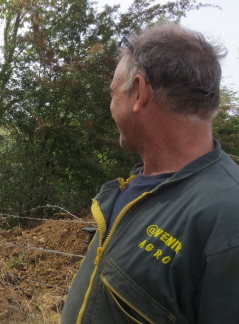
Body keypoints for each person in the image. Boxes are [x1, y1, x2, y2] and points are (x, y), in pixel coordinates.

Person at [61, 22, 238, 323]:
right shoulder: (133, 188)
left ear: (140, 92)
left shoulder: (228, 218)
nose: (111, 105)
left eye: (114, 92)